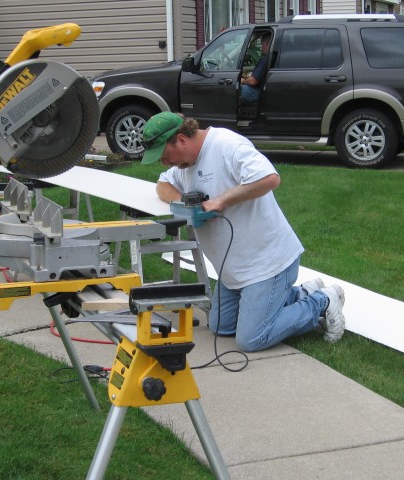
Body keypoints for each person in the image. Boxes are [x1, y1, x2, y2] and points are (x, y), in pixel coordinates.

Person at [140, 111, 346, 352]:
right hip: (234, 270)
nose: (166, 163)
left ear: (182, 140)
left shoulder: (227, 145)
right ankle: (301, 293)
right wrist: (185, 202)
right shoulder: (184, 165)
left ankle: (323, 301)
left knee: (251, 338)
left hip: (267, 264)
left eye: (165, 156)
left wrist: (222, 201)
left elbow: (269, 178)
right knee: (221, 327)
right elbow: (162, 185)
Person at [240, 33, 271, 104]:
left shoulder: (265, 60)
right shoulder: (272, 57)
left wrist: (242, 81)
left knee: (237, 89)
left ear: (266, 43)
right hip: (264, 91)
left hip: (259, 93)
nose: (261, 47)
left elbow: (253, 81)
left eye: (262, 44)